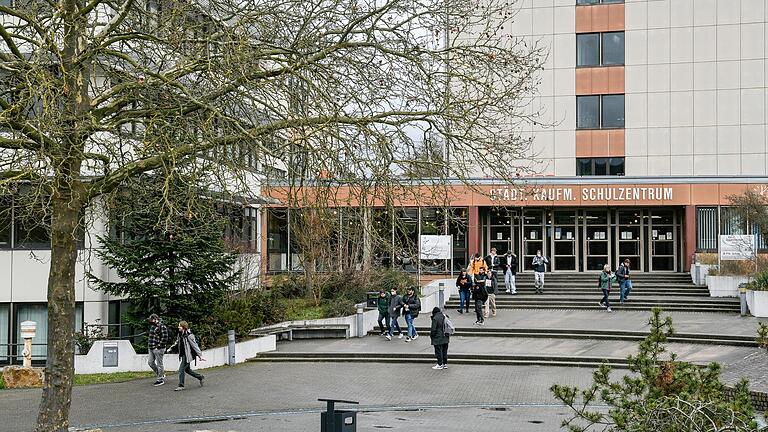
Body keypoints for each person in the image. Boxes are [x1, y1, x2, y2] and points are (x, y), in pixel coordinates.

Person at [168, 321, 206, 391]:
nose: (178, 327)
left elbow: (195, 346)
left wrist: (200, 356)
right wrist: (171, 348)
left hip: (188, 355)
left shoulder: (189, 335)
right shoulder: (180, 334)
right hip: (183, 355)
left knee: (181, 369)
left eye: (179, 326)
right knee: (187, 370)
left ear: (183, 327)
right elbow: (177, 342)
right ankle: (200, 377)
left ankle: (181, 385)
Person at [147, 313, 170, 386]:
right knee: (150, 363)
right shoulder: (153, 326)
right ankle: (161, 374)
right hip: (151, 348)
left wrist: (158, 347)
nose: (150, 321)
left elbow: (165, 338)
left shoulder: (162, 326)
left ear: (155, 319)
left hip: (158, 349)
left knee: (160, 364)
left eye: (151, 320)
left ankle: (160, 379)